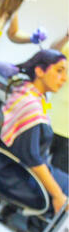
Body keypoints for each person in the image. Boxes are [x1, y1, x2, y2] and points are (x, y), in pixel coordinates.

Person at [0, 49, 68, 214]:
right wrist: (57, 195)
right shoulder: (31, 105)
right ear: (40, 71)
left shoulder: (31, 96)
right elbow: (32, 158)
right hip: (18, 177)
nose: (64, 78)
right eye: (59, 71)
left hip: (27, 172)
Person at [49, 32, 69, 173]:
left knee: (59, 178)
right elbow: (52, 52)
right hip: (51, 119)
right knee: (30, 167)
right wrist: (66, 35)